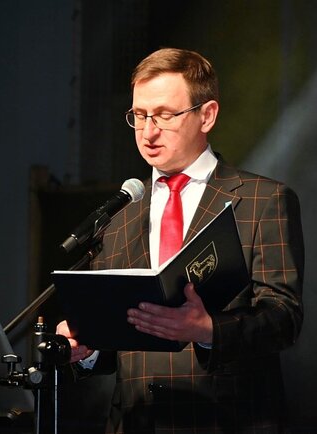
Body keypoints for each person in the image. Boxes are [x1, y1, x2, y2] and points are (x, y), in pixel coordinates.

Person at [56, 47, 304, 433]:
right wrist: (85, 347)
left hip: (226, 419)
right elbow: (119, 341)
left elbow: (283, 318)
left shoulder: (262, 200)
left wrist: (207, 330)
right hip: (137, 420)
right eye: (139, 115)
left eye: (165, 115)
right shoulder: (119, 215)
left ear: (207, 115)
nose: (148, 132)